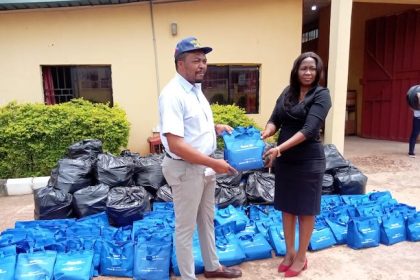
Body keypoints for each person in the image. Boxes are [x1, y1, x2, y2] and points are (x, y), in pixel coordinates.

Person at [159, 36, 242, 280]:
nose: (202, 65)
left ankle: (212, 267)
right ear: (180, 64)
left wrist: (215, 128)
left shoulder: (195, 90)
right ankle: (188, 277)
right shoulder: (172, 94)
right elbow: (176, 144)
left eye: (204, 61)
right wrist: (213, 163)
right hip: (186, 169)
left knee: (207, 220)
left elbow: (190, 128)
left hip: (203, 167)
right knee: (185, 228)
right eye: (196, 61)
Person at [261, 52, 332, 278]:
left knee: (305, 209)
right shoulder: (288, 92)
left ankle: (302, 256)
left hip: (308, 160)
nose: (308, 72)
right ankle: (290, 252)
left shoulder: (322, 95)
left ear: (318, 72)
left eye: (312, 68)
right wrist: (267, 131)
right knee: (287, 207)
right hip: (286, 161)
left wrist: (280, 148)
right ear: (296, 70)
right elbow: (275, 119)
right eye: (304, 68)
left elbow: (310, 129)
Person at [408, 89, 420, 158]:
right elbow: (412, 106)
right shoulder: (415, 95)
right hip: (417, 119)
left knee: (414, 135)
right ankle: (411, 152)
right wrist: (418, 97)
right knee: (414, 134)